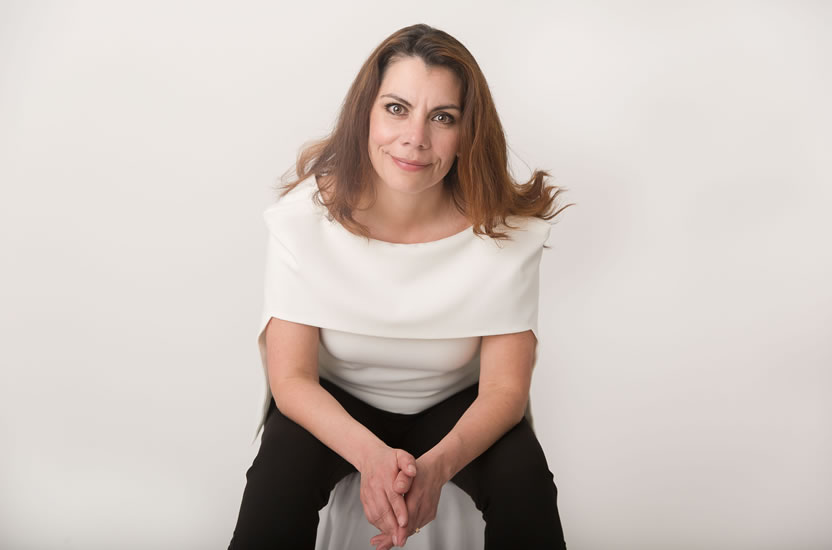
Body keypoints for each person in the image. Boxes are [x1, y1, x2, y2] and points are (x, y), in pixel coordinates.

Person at [228, 23, 572, 550]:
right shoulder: (302, 220)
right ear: (365, 114)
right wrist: (370, 458)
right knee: (276, 484)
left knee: (525, 482)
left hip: (456, 405)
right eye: (396, 108)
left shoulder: (505, 234)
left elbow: (505, 390)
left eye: (443, 117)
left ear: (468, 133)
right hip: (335, 402)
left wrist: (437, 469)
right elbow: (291, 378)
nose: (416, 138)